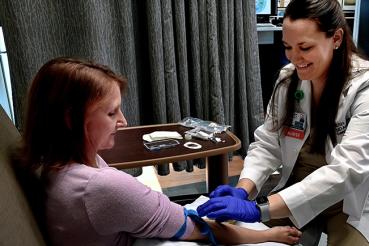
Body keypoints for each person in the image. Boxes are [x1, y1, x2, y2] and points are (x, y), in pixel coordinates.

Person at [18, 57, 301, 246]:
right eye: (111, 112)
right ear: (70, 119)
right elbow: (202, 229)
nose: (123, 121)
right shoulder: (100, 186)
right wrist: (269, 234)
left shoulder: (52, 164)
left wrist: (243, 191)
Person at [197, 0, 369, 245]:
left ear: (337, 38)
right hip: (296, 189)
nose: (295, 58)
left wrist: (260, 210)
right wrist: (243, 189)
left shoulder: (364, 89)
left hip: (350, 200)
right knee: (228, 232)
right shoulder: (289, 80)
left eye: (305, 47)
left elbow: (346, 171)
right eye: (288, 46)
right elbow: (268, 143)